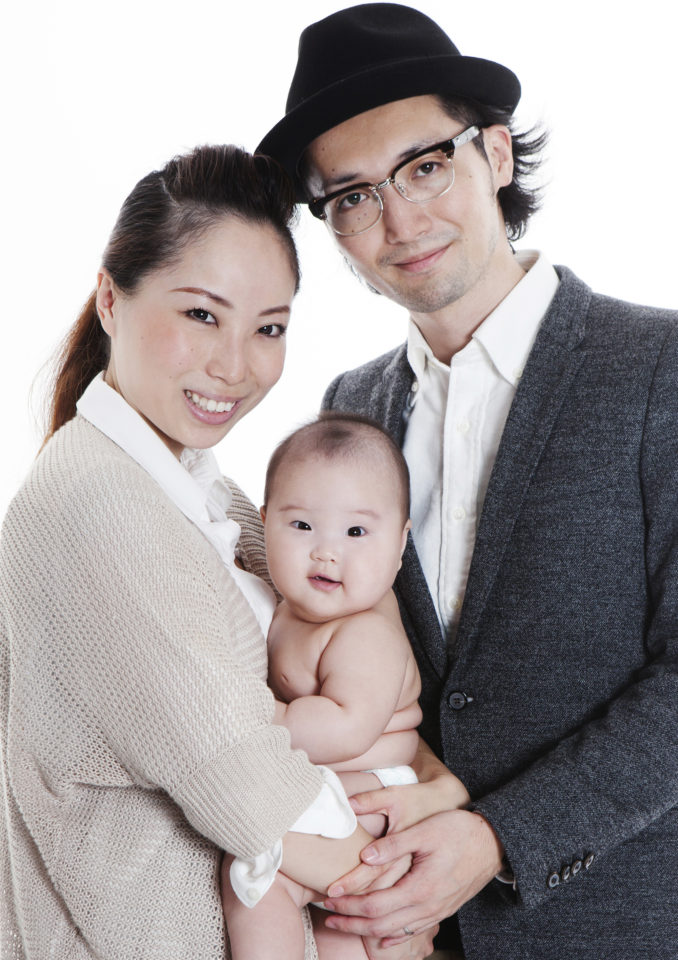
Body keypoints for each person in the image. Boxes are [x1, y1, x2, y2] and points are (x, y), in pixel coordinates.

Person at [256, 5, 678, 959]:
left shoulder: (660, 369)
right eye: (352, 196)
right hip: (390, 931)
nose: (400, 221)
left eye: (424, 166)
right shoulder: (350, 409)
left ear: (495, 153)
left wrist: (499, 836)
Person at [0, 143, 436, 960]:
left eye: (268, 328)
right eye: (202, 315)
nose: (235, 366)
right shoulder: (100, 507)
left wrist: (431, 791)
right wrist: (418, 890)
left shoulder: (201, 491)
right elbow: (245, 780)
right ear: (110, 299)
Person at [224, 412, 446, 960]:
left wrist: (259, 715)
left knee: (256, 862)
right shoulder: (285, 607)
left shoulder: (366, 631)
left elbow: (348, 726)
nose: (326, 551)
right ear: (264, 523)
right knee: (334, 931)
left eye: (356, 532)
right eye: (302, 526)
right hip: (335, 786)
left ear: (400, 543)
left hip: (376, 794)